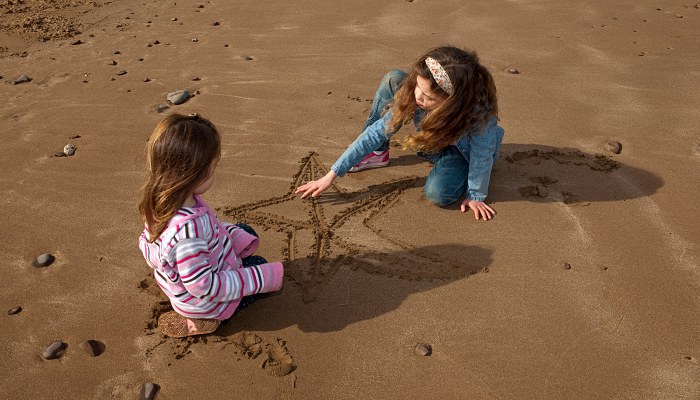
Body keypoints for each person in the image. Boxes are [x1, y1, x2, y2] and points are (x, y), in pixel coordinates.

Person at [295, 46, 504, 220]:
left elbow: (482, 155)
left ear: (452, 102)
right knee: (394, 79)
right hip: (433, 138)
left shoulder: (479, 116)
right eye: (418, 88)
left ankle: (446, 166)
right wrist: (331, 174)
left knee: (438, 194)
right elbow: (376, 132)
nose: (419, 98)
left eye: (428, 97)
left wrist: (476, 194)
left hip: (459, 153)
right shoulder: (415, 92)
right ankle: (377, 154)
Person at [138, 114, 284, 338]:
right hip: (205, 301)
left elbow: (207, 227)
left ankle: (193, 309)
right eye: (212, 169)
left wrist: (235, 237)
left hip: (183, 280)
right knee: (260, 265)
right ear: (198, 175)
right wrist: (262, 279)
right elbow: (205, 286)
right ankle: (205, 320)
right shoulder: (188, 234)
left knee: (245, 231)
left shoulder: (161, 202)